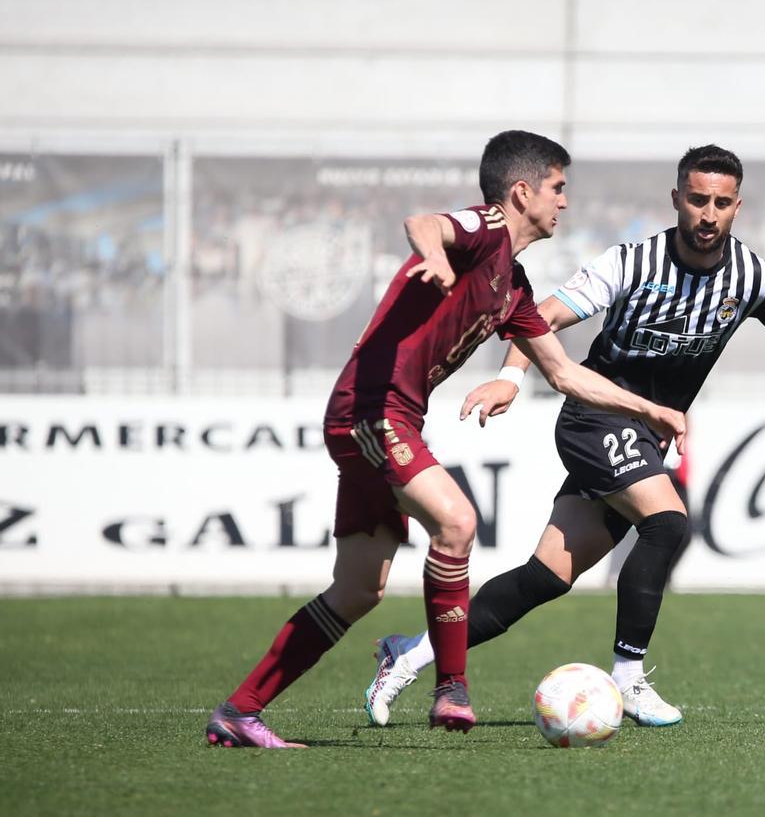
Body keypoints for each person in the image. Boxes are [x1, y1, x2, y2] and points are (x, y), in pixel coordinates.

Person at [363, 145, 765, 729]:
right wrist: (513, 376)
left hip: (646, 438)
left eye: (721, 203)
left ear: (738, 206)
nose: (707, 214)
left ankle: (408, 654)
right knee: (667, 523)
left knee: (546, 577)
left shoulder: (754, 277)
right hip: (596, 420)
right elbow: (545, 315)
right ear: (676, 200)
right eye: (696, 200)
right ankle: (628, 679)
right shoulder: (631, 262)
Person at [204, 130, 686, 748]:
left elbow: (564, 373)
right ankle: (450, 688)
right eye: (558, 188)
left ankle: (240, 712)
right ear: (522, 191)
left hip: (388, 419)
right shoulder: (484, 229)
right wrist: (433, 254)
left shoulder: (512, 285)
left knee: (358, 589)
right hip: (372, 411)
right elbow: (423, 221)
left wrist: (650, 409)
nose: (565, 202)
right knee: (456, 522)